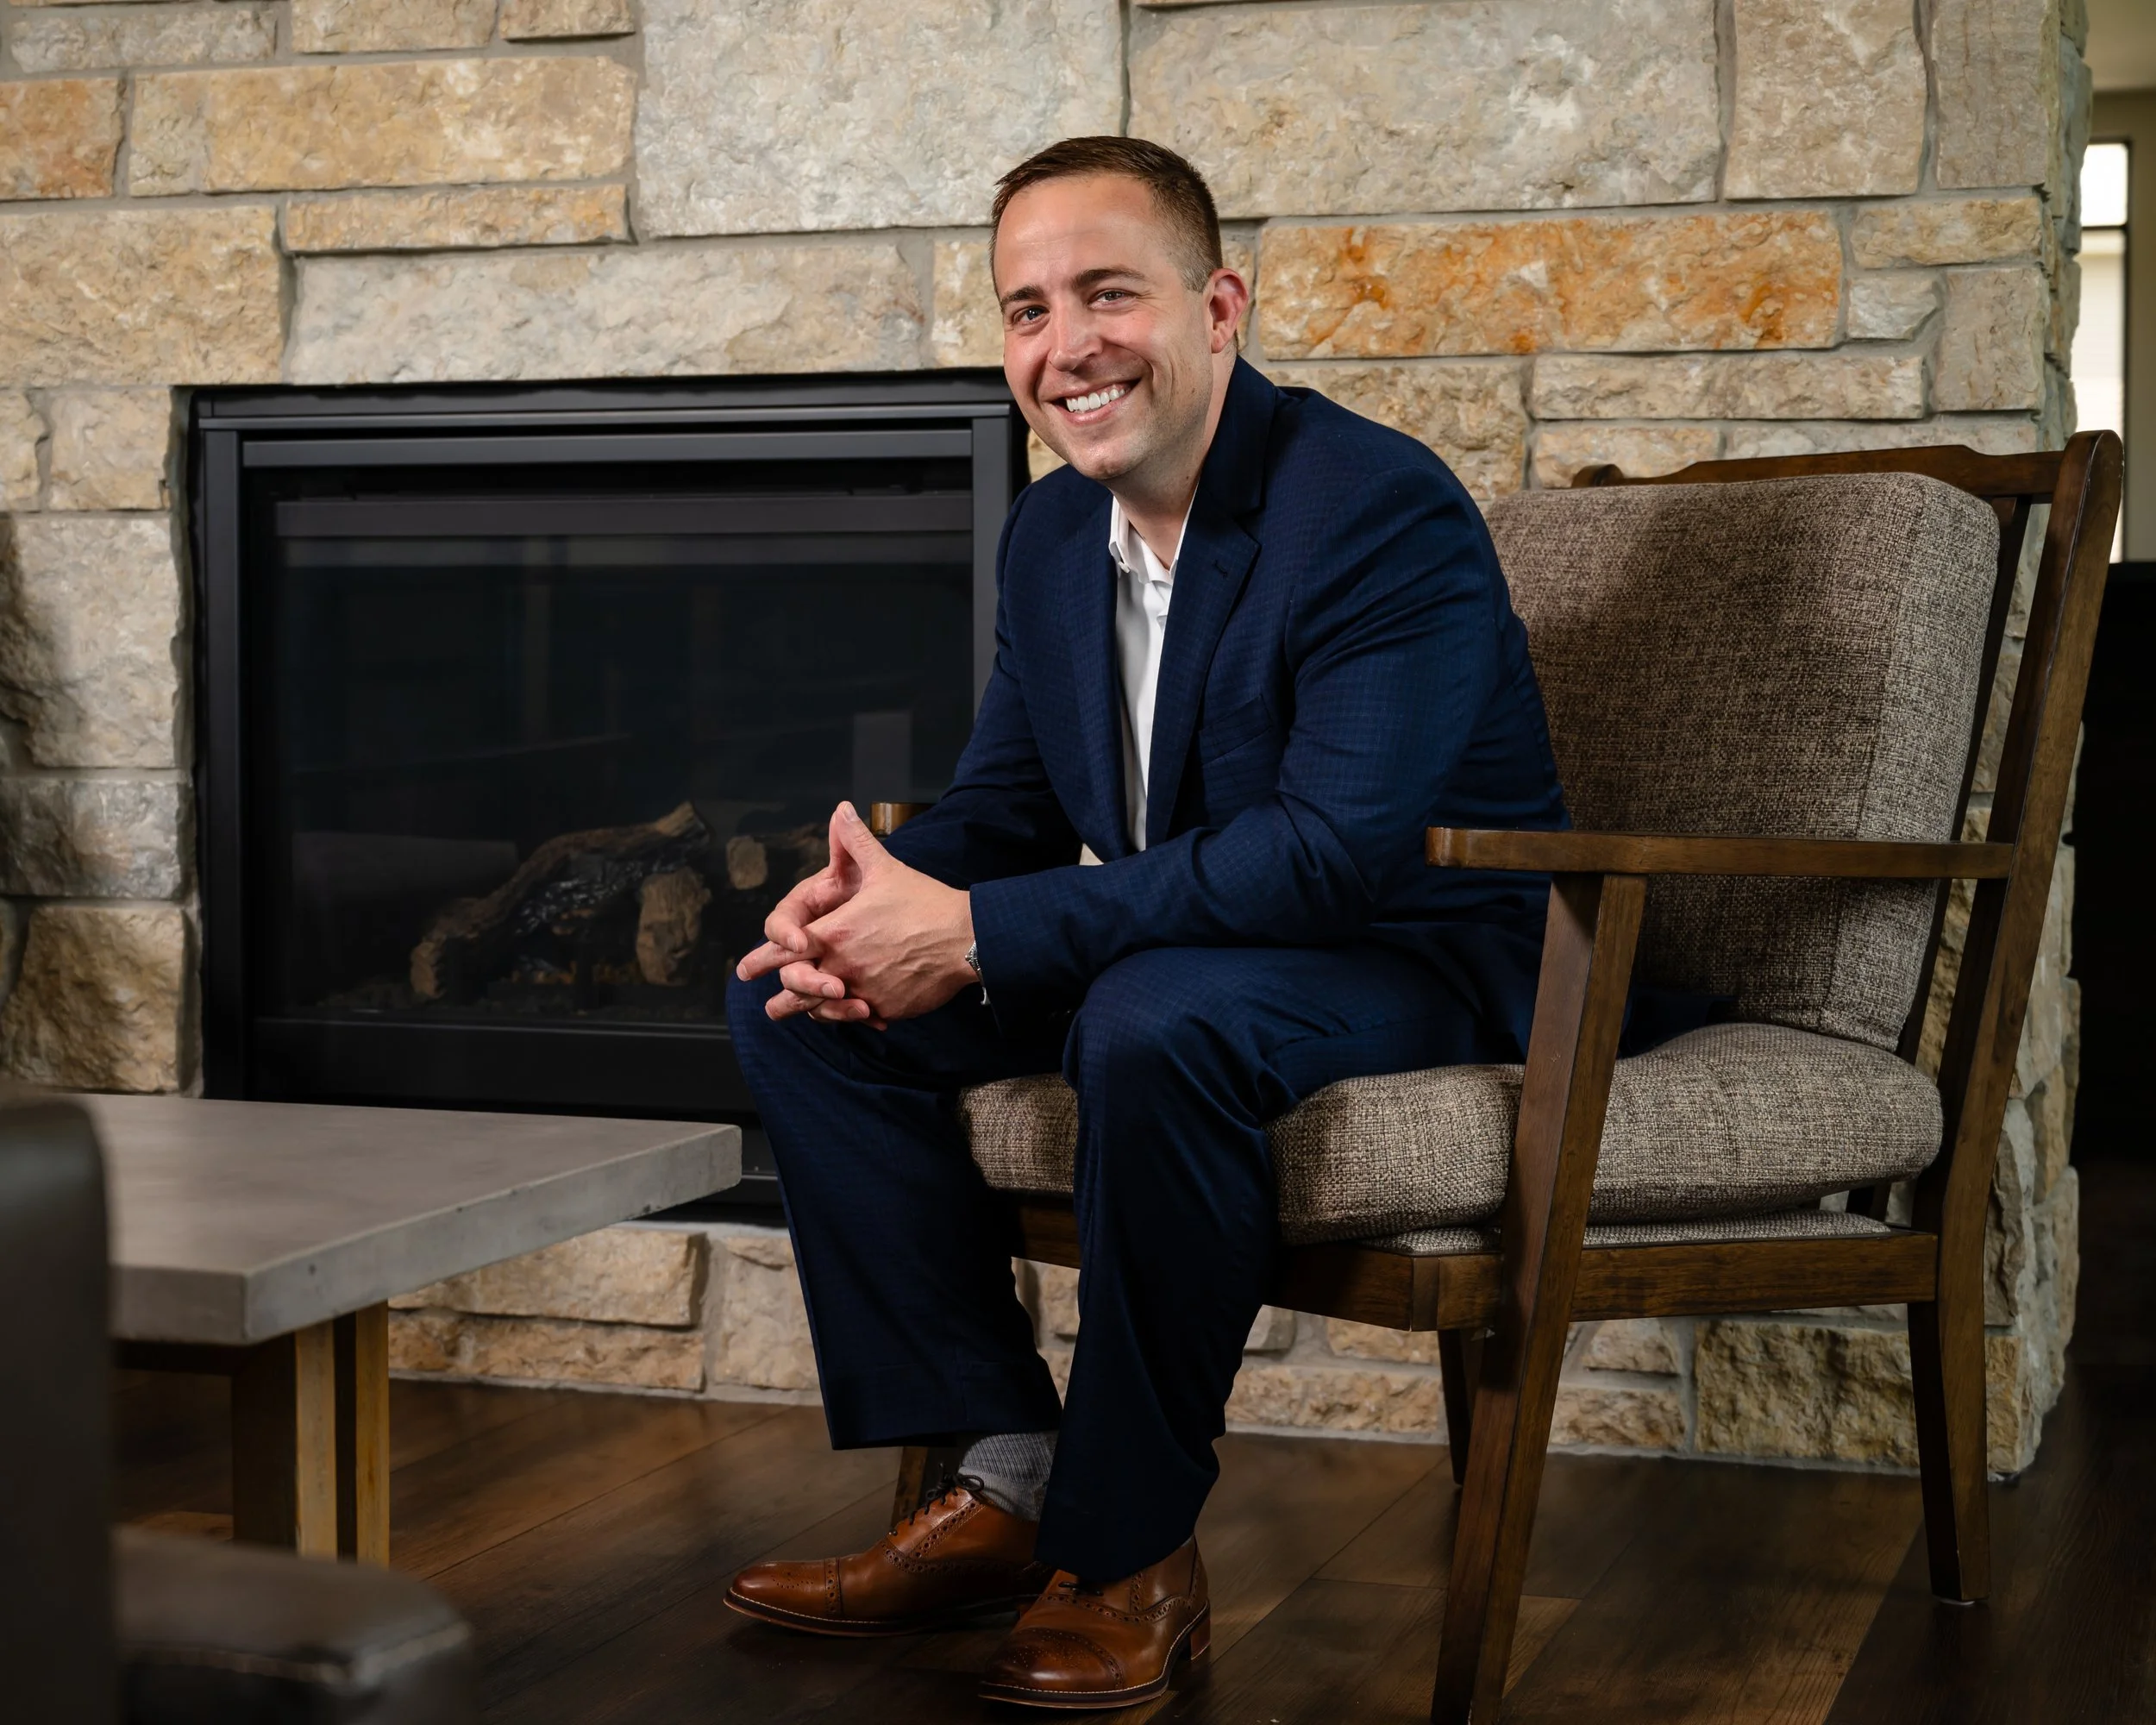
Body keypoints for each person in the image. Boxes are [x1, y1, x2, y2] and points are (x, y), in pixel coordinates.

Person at [723, 135, 1570, 1711]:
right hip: (1185, 945)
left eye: (1111, 294)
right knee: (785, 998)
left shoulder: (1375, 509)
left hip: (1420, 957)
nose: (1068, 347)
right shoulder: (1054, 533)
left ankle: (1128, 1548)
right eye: (1028, 309)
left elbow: (1325, 858)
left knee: (1154, 1019)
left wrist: (976, 936)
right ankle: (1005, 1474)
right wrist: (867, 905)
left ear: (1219, 307)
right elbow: (1010, 803)